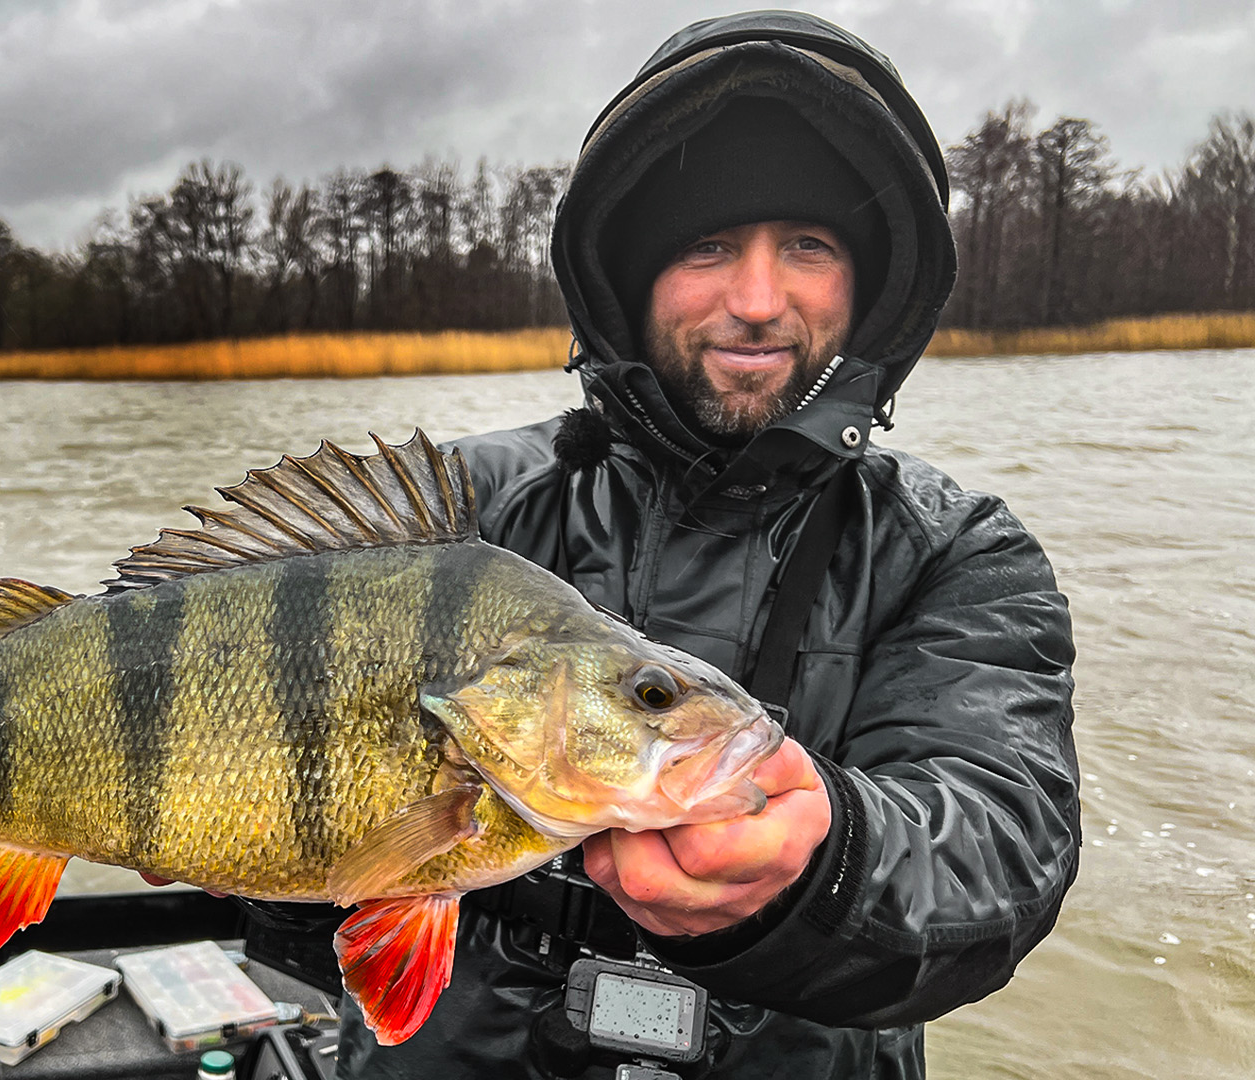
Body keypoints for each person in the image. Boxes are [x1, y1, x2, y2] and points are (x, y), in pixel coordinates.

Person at [329, 11, 1081, 1079]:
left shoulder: (958, 551)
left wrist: (831, 856)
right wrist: (244, 855)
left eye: (808, 248)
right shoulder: (454, 509)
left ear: (868, 287)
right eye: (708, 246)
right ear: (630, 283)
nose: (759, 301)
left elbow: (1003, 852)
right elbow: (273, 774)